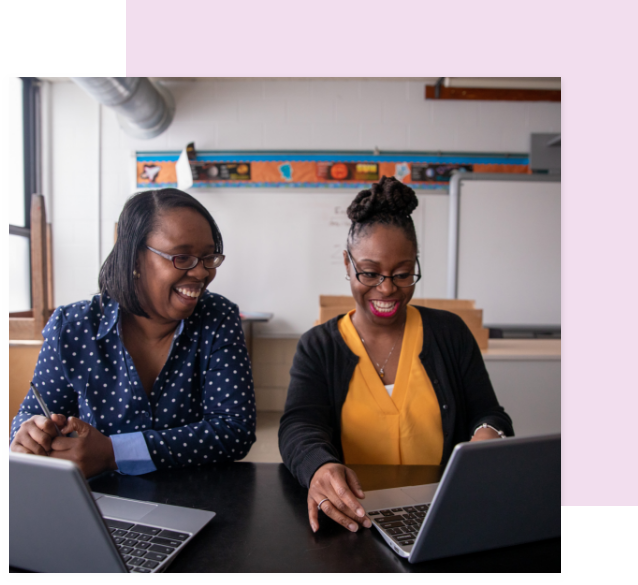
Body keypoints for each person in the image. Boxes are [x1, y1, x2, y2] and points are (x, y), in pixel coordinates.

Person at [278, 176, 513, 534]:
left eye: (403, 274)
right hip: (353, 515)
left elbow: (488, 412)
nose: (387, 289)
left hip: (440, 510)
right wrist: (318, 466)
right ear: (346, 263)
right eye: (369, 273)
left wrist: (487, 432)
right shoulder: (319, 346)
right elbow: (299, 425)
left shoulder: (449, 333)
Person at [10, 188, 256, 478]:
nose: (202, 273)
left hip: (196, 497)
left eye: (208, 257)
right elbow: (30, 414)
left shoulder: (217, 318)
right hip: (97, 502)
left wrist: (113, 453)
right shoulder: (73, 328)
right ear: (135, 258)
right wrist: (29, 432)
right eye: (183, 257)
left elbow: (234, 429)